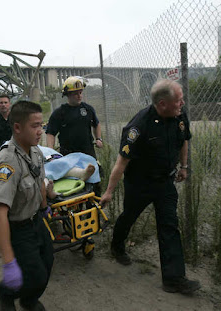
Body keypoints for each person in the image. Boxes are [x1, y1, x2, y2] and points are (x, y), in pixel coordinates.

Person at [100, 79, 201, 294]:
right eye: (178, 100)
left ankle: (174, 279)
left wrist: (184, 166)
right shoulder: (139, 126)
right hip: (139, 184)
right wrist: (109, 192)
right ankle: (117, 246)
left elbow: (183, 140)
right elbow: (121, 162)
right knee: (129, 215)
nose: (182, 103)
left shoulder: (179, 116)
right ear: (162, 104)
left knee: (169, 225)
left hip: (165, 182)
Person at [0, 100, 54, 311]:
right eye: (35, 126)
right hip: (18, 228)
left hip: (36, 221)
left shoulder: (35, 152)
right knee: (34, 273)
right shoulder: (7, 162)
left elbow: (40, 182)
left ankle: (27, 299)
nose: (40, 131)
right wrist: (8, 262)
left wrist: (44, 207)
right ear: (17, 127)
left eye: (41, 125)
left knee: (46, 264)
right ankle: (5, 292)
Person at [45, 76, 103, 158]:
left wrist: (98, 139)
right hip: (68, 156)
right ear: (67, 94)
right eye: (76, 93)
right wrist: (50, 152)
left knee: (96, 171)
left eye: (80, 92)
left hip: (88, 153)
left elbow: (96, 124)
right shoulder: (59, 113)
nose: (79, 96)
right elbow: (50, 133)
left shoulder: (88, 109)